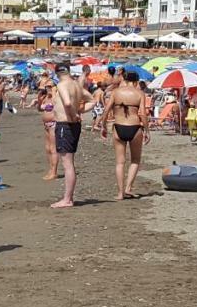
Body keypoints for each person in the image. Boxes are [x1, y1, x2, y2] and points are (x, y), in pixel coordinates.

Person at [98, 70, 148, 200]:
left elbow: (106, 110)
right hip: (135, 127)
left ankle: (120, 193)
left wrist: (103, 126)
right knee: (135, 160)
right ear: (136, 81)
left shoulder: (115, 92)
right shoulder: (139, 93)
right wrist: (147, 130)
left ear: (124, 80)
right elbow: (142, 113)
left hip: (119, 127)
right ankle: (128, 188)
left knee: (120, 162)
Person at [51, 63, 89, 209]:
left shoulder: (62, 85)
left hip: (66, 124)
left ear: (58, 73)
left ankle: (67, 199)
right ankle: (68, 197)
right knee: (69, 162)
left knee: (67, 164)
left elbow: (67, 103)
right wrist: (80, 113)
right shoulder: (76, 85)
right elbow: (92, 100)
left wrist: (74, 115)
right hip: (73, 125)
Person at [36, 86, 58, 180]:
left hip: (54, 124)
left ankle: (54, 172)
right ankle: (51, 169)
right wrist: (39, 100)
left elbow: (57, 106)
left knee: (53, 149)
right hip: (46, 125)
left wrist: (53, 93)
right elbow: (40, 109)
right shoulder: (45, 98)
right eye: (47, 87)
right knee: (47, 148)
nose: (48, 89)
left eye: (50, 87)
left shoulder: (56, 97)